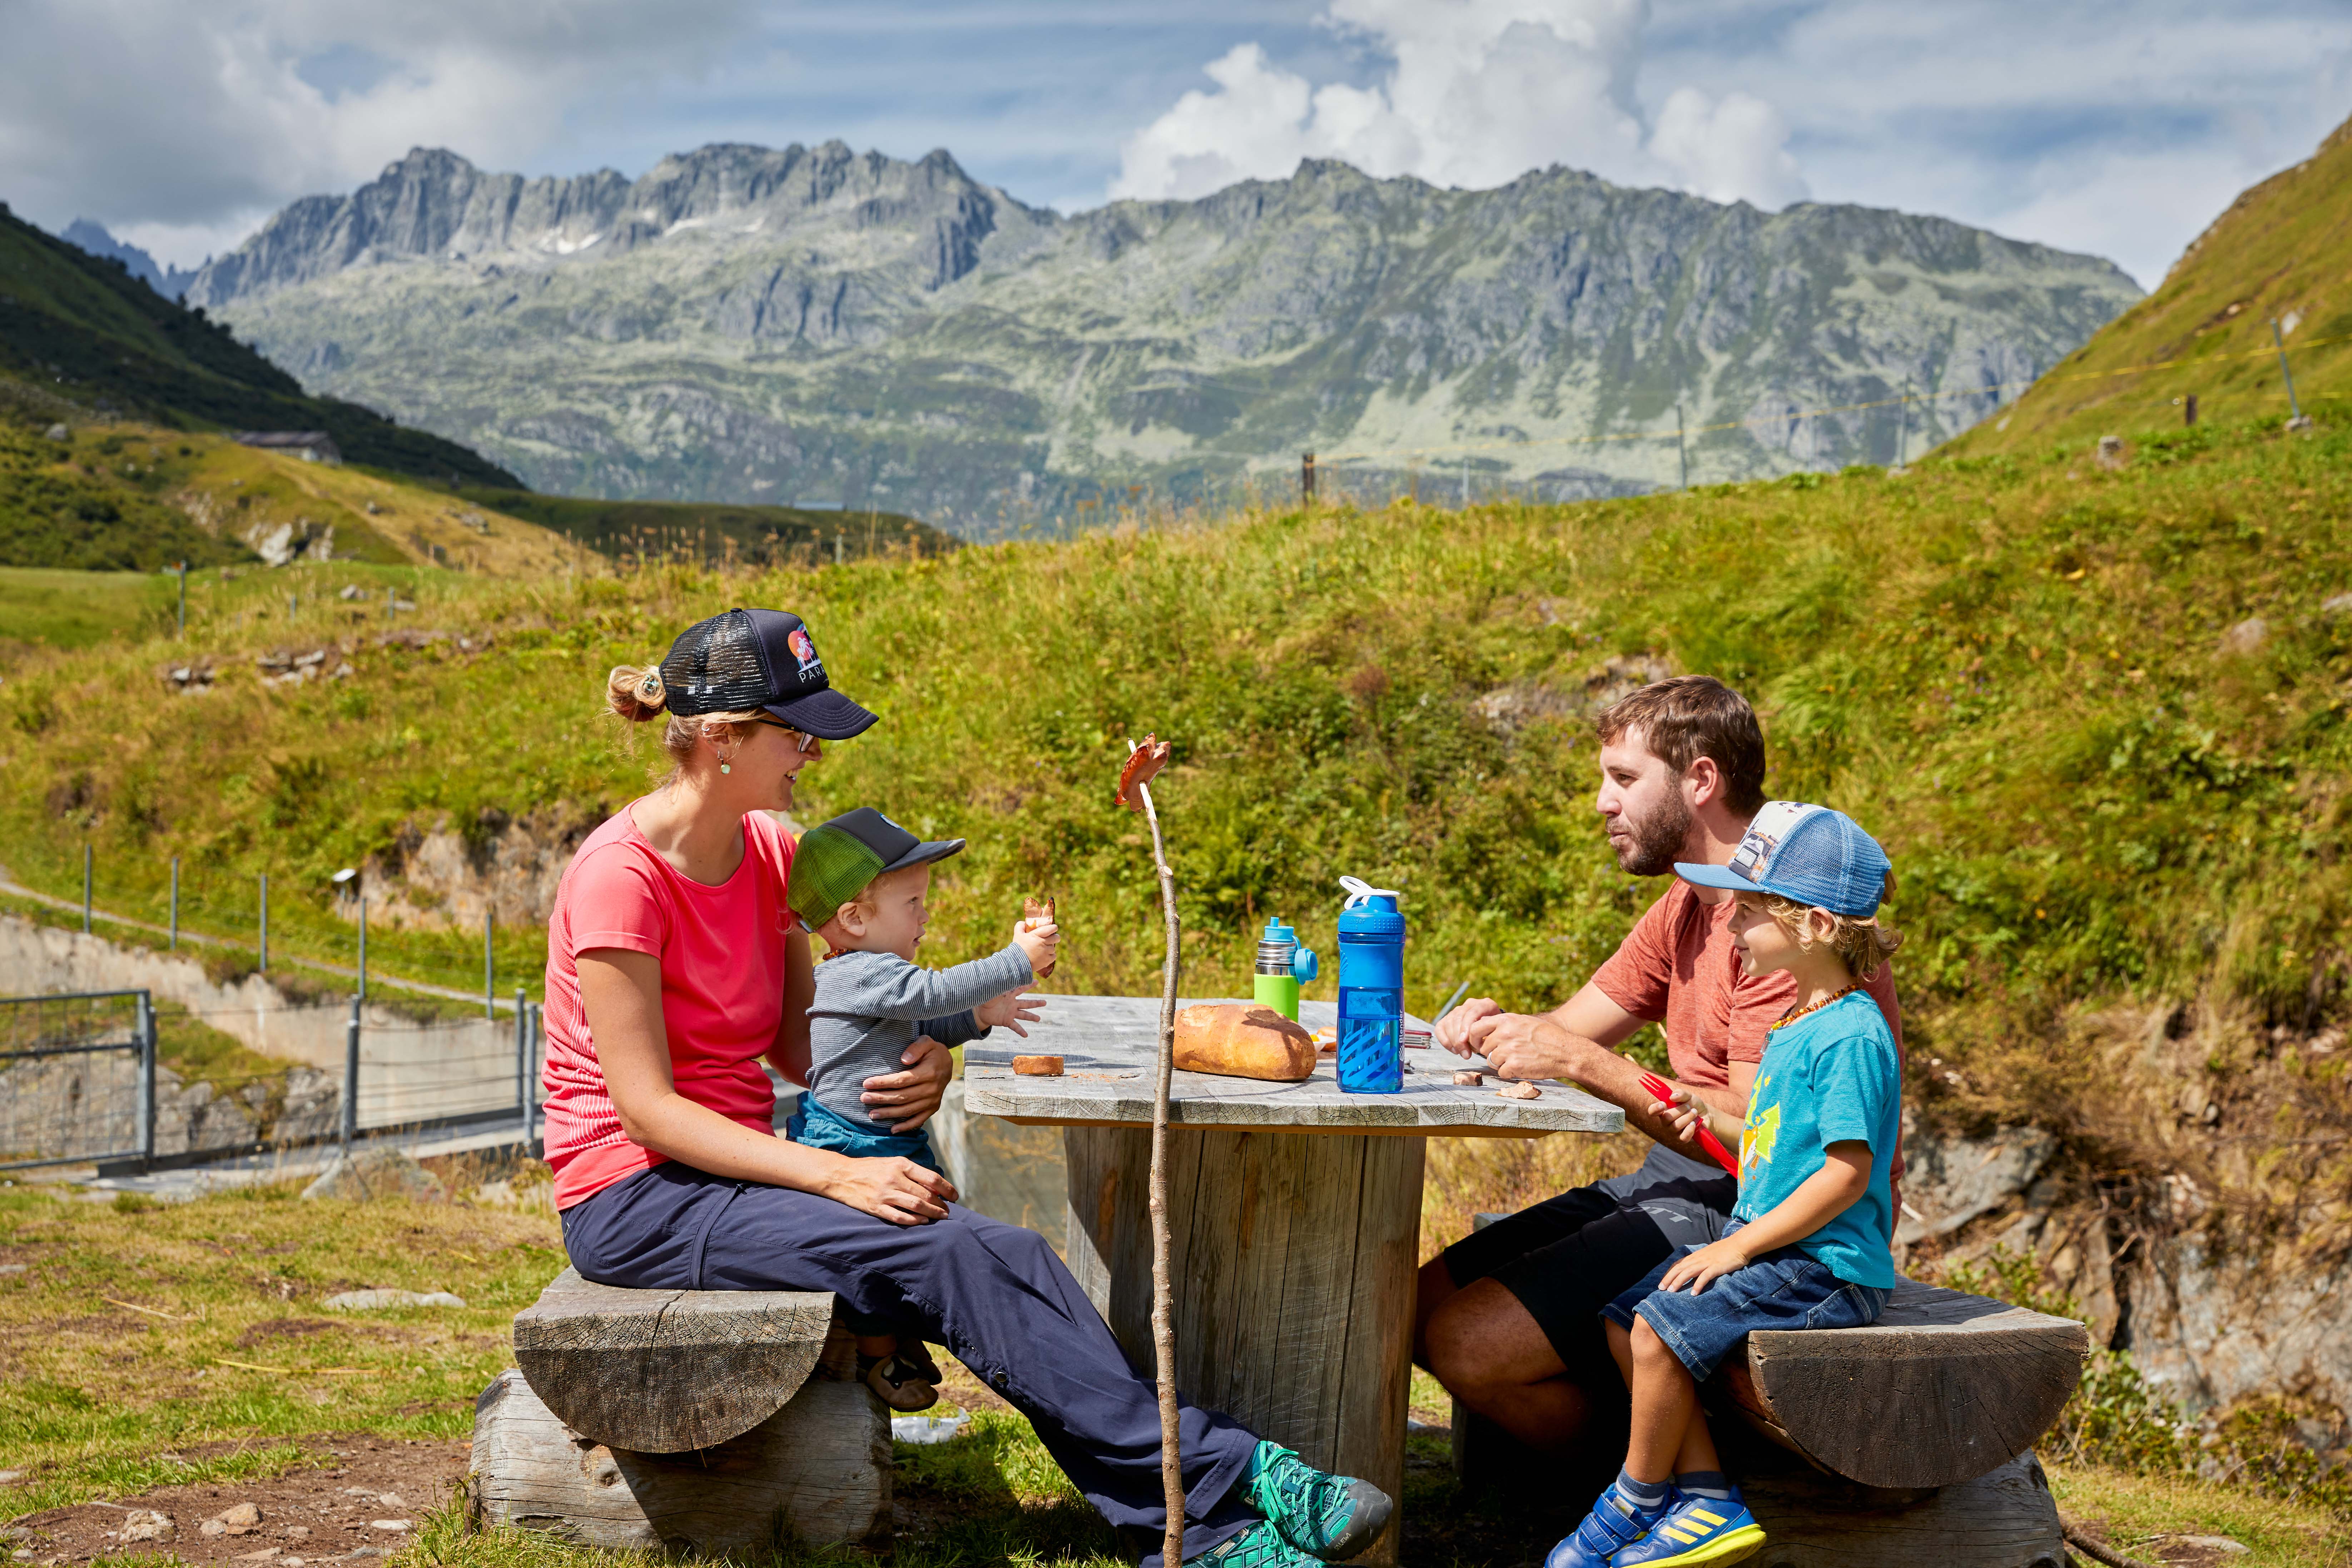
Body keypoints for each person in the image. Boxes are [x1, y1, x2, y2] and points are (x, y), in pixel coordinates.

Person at [540, 607, 1391, 1568]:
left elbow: (803, 1047)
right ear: (724, 739)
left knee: (1003, 1251)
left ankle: (1204, 1534)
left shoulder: (772, 857)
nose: (813, 754)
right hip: (637, 1193)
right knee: (952, 1254)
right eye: (795, 732)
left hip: (736, 1169)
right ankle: (1236, 1482)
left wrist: (923, 1056)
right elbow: (646, 1109)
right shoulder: (620, 879)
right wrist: (835, 1177)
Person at [1420, 676, 1903, 1458]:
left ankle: (1665, 1488)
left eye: (1623, 778)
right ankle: (1654, 1468)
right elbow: (1574, 1028)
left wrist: (1580, 1062)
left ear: (1701, 779)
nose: (1602, 803)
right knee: (1419, 1303)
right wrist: (1493, 1029)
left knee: (1468, 1345)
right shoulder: (1690, 901)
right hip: (1673, 1176)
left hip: (1763, 1211)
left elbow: (1757, 1140)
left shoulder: (1788, 929)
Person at [1546, 802, 1902, 1568]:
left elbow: (1847, 1175)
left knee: (1659, 1327)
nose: (1730, 925)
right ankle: (1706, 1495)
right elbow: (1775, 1145)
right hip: (1785, 1248)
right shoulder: (1803, 1020)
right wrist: (1705, 1111)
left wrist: (1738, 1246)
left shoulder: (1850, 1035)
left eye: (1748, 910)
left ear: (1813, 924)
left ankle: (1633, 1498)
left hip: (1828, 1267)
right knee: (1626, 1318)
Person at [783, 804, 1059, 1411]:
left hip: (883, 1138)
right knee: (871, 1249)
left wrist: (979, 1018)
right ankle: (879, 1353)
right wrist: (1016, 960)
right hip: (850, 1144)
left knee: (909, 1233)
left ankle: (899, 1336)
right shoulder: (857, 973)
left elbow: (920, 1019)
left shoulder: (872, 975)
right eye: (913, 905)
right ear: (854, 919)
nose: (926, 919)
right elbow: (931, 992)